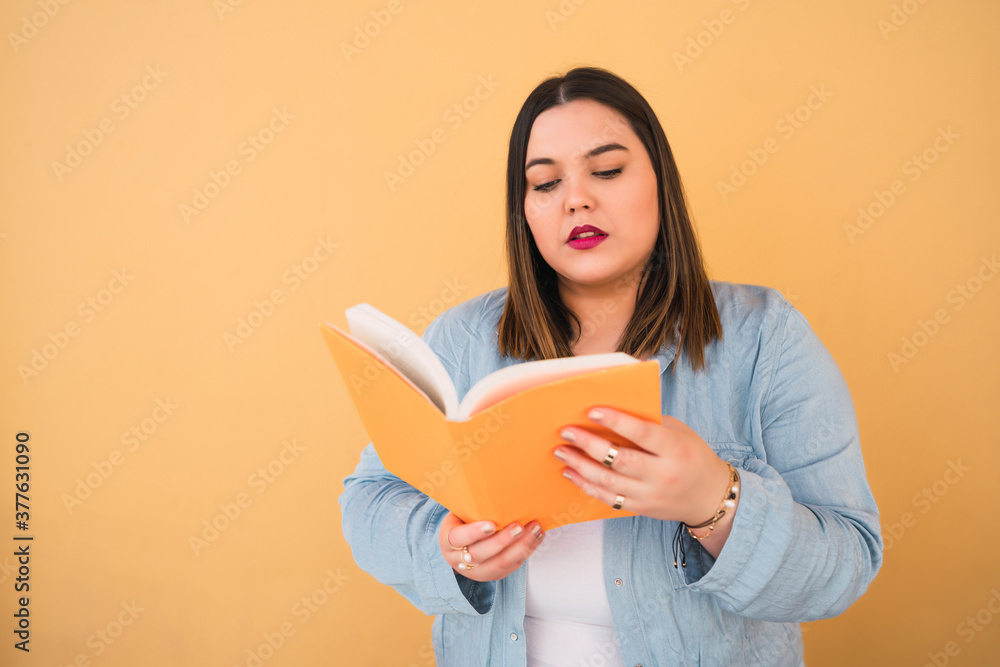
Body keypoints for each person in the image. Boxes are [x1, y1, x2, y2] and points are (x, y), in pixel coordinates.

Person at [339, 66, 882, 666]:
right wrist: (444, 547)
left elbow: (847, 567)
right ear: (525, 212)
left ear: (661, 183)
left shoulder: (765, 338)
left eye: (607, 170)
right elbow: (369, 499)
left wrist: (716, 501)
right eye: (544, 184)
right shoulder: (463, 337)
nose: (576, 198)